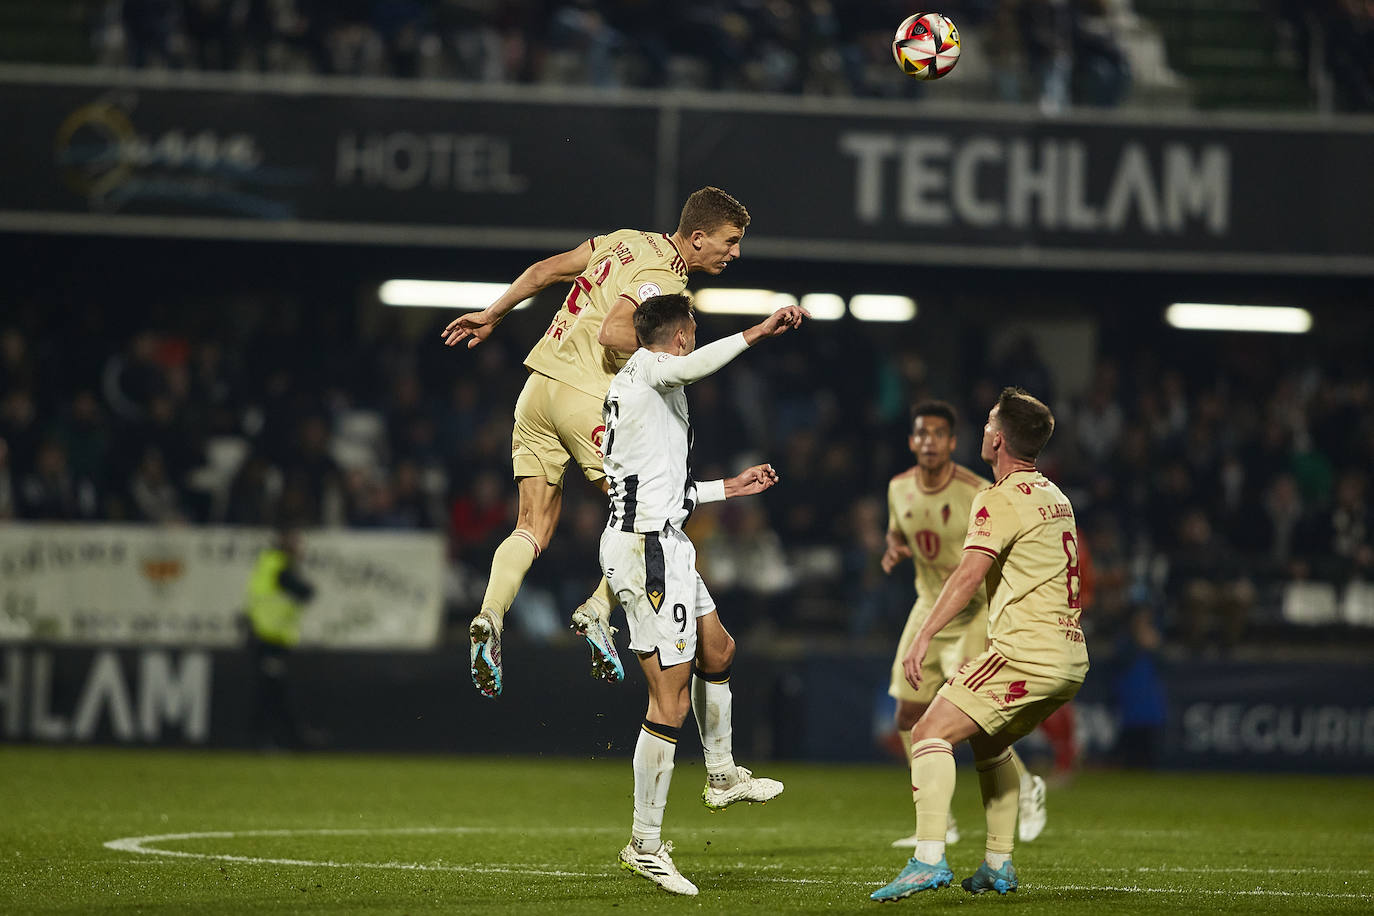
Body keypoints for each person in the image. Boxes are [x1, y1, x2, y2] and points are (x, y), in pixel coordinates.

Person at [441, 187, 751, 698]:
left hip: (537, 389)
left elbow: (544, 271)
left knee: (532, 525)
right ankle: (597, 612)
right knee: (652, 511)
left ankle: (489, 616)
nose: (735, 252)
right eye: (730, 241)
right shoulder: (665, 279)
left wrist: (493, 313)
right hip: (587, 397)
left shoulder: (625, 240)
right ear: (697, 238)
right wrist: (673, 356)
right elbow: (612, 332)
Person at [601, 293, 802, 896]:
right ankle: (644, 842)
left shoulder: (647, 388)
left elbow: (663, 485)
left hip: (667, 541)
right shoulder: (652, 368)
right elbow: (688, 367)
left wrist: (727, 489)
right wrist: (758, 333)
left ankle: (720, 774)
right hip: (647, 555)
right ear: (681, 335)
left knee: (720, 651)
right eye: (693, 331)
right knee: (670, 705)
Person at [871, 387, 1088, 902]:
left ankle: (927, 858)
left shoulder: (997, 497)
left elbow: (968, 575)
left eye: (989, 422)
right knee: (991, 745)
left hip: (1024, 655)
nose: (984, 430)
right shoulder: (1056, 496)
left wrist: (923, 634)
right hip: (1069, 655)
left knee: (927, 732)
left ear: (997, 439)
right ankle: (998, 864)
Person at [881, 401, 1047, 849]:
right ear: (912, 441)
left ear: (953, 442)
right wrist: (893, 547)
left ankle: (1027, 786)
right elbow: (899, 530)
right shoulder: (898, 489)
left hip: (973, 611)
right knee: (908, 714)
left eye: (938, 434)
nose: (929, 441)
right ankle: (940, 822)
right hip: (928, 606)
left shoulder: (977, 490)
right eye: (921, 433)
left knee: (979, 719)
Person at [244, 528, 316, 749]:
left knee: (272, 690)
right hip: (268, 639)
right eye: (296, 544)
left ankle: (277, 738)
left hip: (267, 637)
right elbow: (305, 591)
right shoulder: (279, 565)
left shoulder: (269, 563)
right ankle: (273, 739)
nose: (300, 549)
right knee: (272, 692)